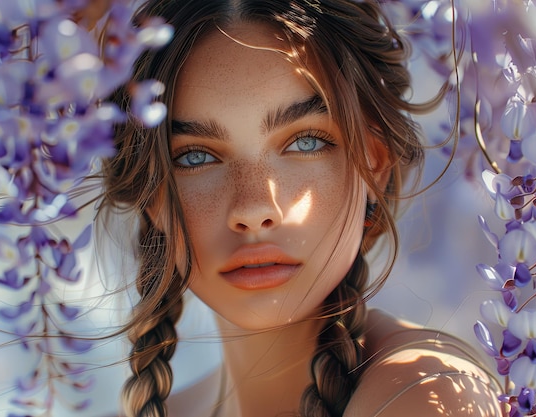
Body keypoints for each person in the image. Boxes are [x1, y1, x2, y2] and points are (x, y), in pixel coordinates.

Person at [101, 0, 503, 416]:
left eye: (305, 142)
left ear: (374, 164)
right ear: (151, 196)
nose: (254, 208)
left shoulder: (429, 395)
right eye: (195, 157)